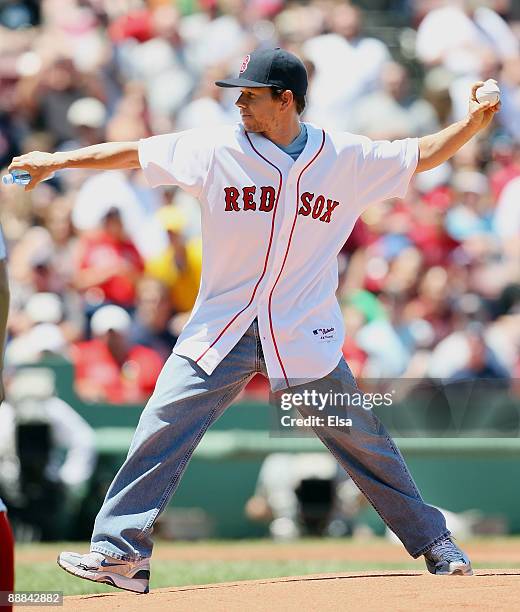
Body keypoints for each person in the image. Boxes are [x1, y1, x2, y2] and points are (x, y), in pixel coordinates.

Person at [8, 47, 500, 592]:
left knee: (363, 440)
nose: (239, 102)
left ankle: (436, 543)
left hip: (301, 330)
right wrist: (56, 162)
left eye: (251, 93)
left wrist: (473, 123)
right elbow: (132, 153)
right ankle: (120, 552)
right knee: (162, 423)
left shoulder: (345, 157)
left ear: (285, 100)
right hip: (224, 326)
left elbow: (424, 153)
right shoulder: (215, 148)